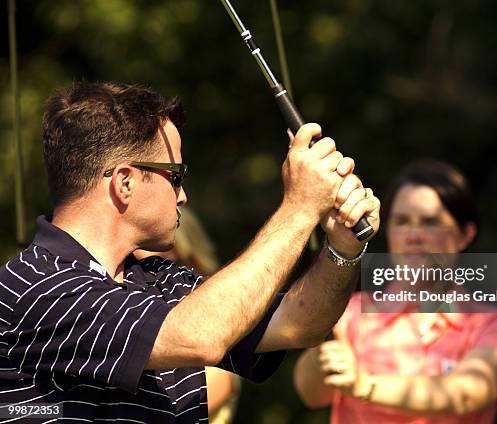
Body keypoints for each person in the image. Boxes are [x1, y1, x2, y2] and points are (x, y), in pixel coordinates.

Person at [0, 82, 381, 422]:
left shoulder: (159, 279)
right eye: (176, 176)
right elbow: (201, 336)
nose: (183, 195)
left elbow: (300, 322)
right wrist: (299, 209)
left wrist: (343, 247)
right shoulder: (37, 285)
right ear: (126, 183)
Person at [294, 160, 497, 423]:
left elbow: (468, 392)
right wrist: (320, 355)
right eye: (402, 221)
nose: (413, 235)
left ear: (465, 234)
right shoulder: (349, 312)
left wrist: (364, 385)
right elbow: (311, 394)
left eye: (430, 222)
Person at [134, 206, 241, 423]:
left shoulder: (215, 358)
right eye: (133, 269)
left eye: (167, 267)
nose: (147, 283)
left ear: (195, 265)